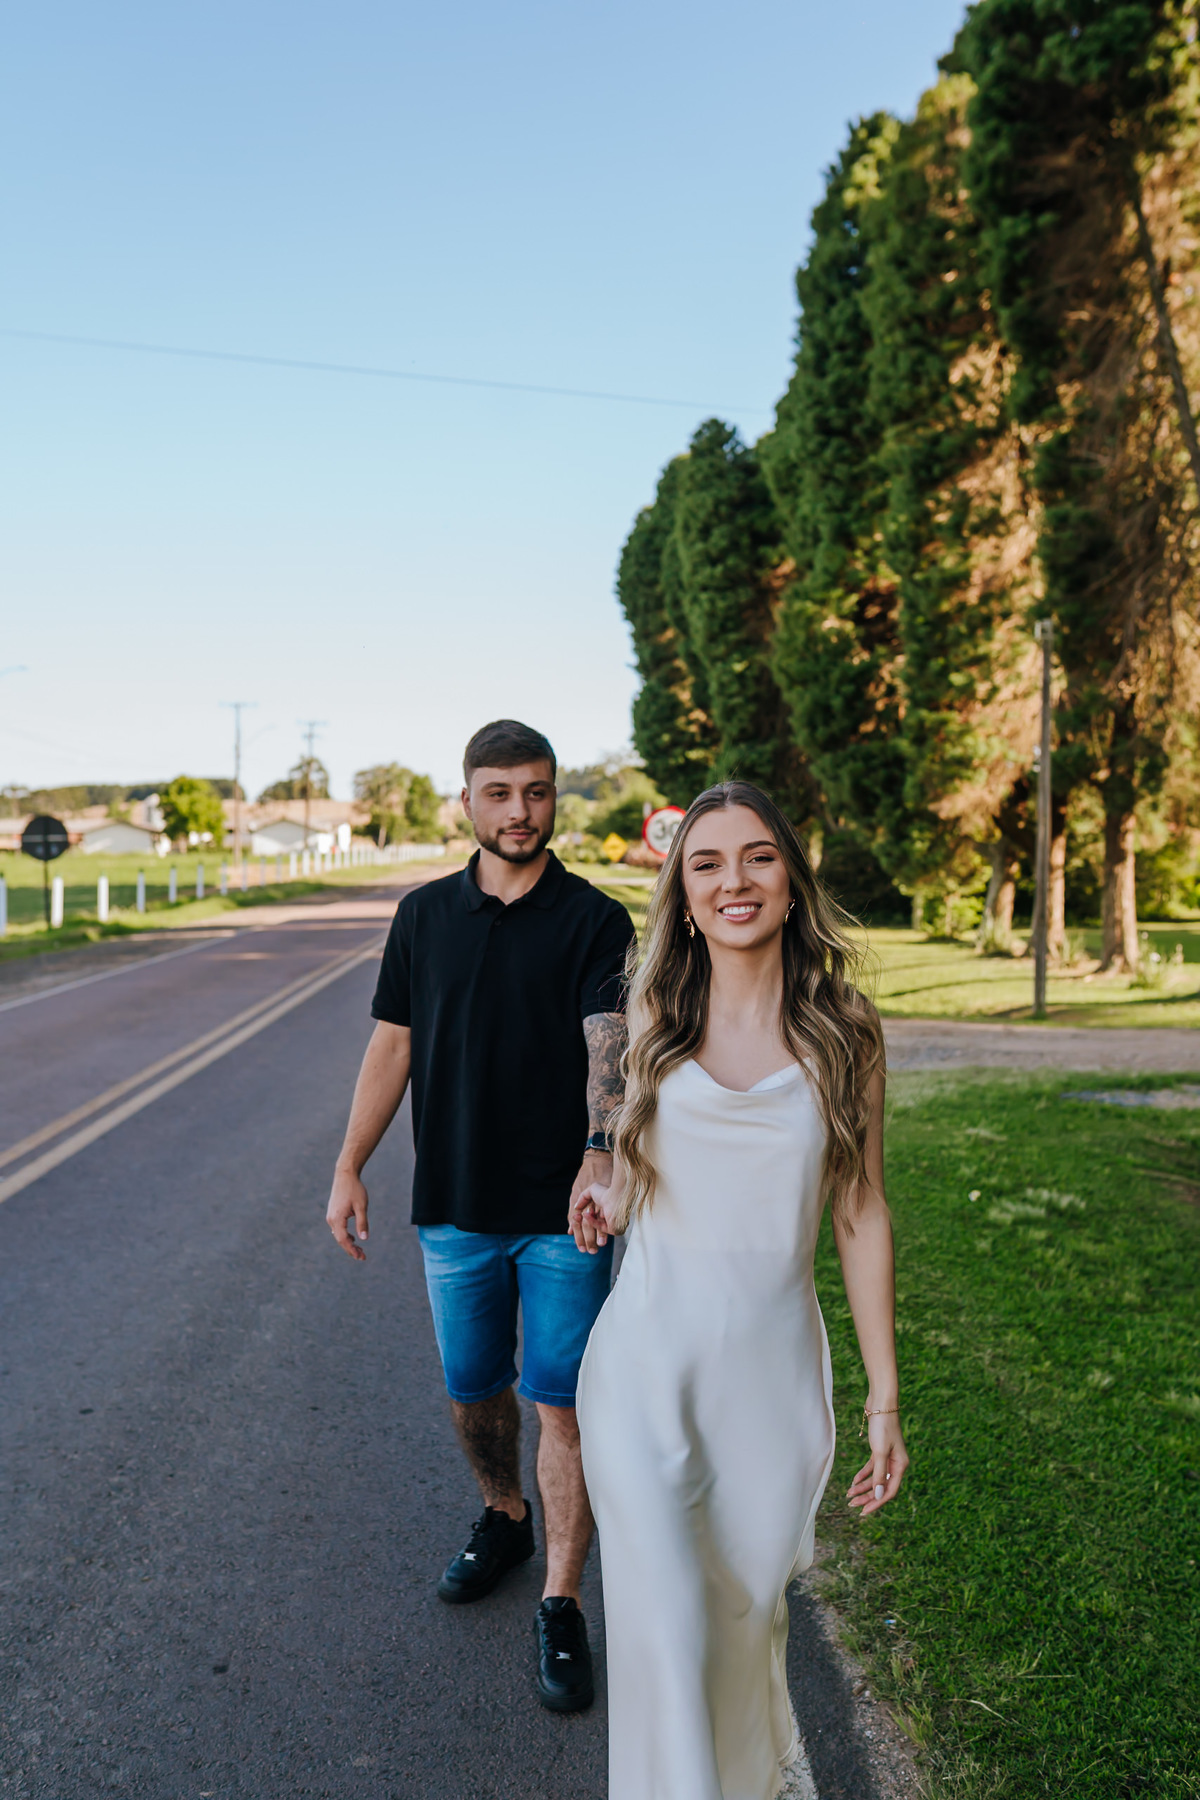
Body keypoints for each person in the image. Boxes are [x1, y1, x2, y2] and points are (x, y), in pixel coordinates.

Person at [569, 780, 909, 1799]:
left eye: (757, 856)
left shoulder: (846, 1029)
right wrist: (607, 1195)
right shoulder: (651, 1016)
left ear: (792, 880)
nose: (734, 881)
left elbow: (860, 1212)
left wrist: (884, 1397)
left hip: (767, 1387)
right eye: (707, 864)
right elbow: (637, 1170)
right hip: (644, 1371)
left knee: (737, 1622)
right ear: (682, 894)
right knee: (667, 1630)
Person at [326, 719, 634, 1713]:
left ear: (554, 798)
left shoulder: (595, 919)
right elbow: (392, 1045)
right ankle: (504, 1514)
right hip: (454, 1208)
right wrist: (349, 1165)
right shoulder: (422, 916)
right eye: (498, 793)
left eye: (536, 791)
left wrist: (598, 1154)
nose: (519, 811)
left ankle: (561, 1599)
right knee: (473, 1391)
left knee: (563, 1403)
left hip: (563, 1215)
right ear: (467, 801)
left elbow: (611, 1043)